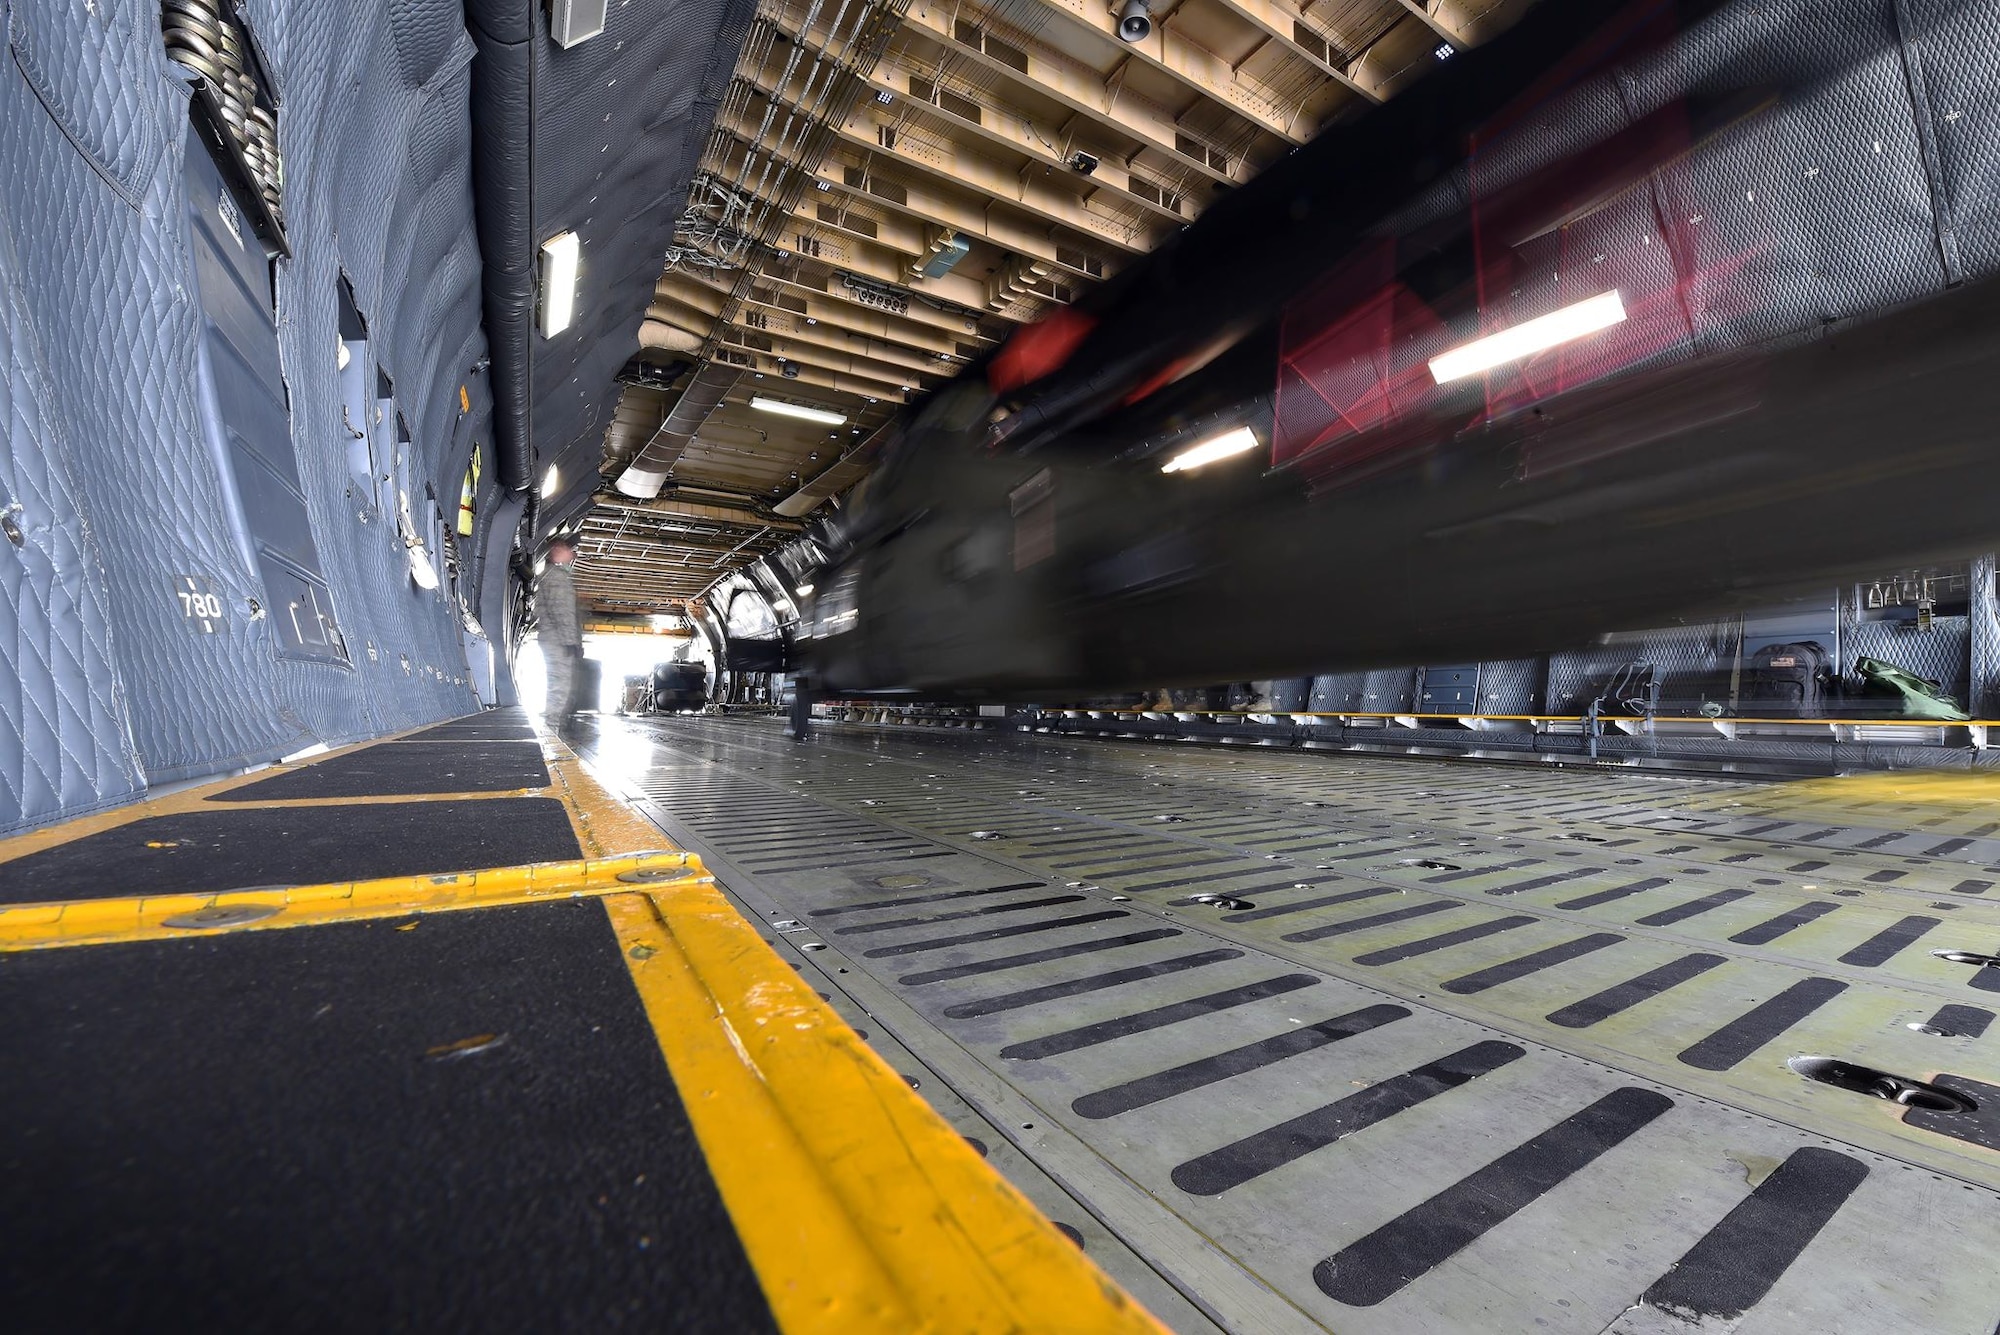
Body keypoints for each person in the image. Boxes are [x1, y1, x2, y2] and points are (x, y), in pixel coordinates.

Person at [537, 538, 584, 733]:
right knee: (560, 687)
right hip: (558, 641)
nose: (572, 554)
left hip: (553, 638)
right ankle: (551, 731)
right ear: (556, 550)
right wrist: (571, 642)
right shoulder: (556, 577)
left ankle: (552, 727)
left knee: (559, 685)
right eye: (568, 549)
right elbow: (562, 611)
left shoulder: (549, 575)